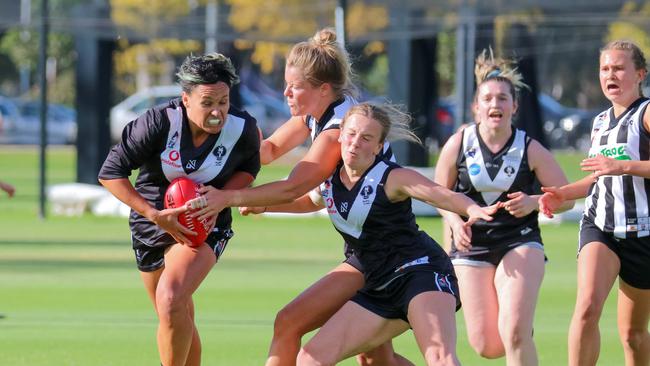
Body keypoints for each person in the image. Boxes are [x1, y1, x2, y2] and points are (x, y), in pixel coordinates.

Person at [235, 103, 496, 365]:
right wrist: (265, 204)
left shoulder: (392, 177)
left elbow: (440, 194)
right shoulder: (331, 177)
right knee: (310, 360)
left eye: (366, 138)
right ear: (340, 135)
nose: (355, 143)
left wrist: (471, 207)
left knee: (440, 357)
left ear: (378, 147)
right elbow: (312, 202)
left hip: (420, 271)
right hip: (377, 283)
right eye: (351, 134)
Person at [209, 28, 406, 366]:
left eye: (295, 86)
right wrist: (214, 132)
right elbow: (268, 151)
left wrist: (230, 198)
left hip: (387, 258)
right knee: (375, 359)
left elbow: (294, 187)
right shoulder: (317, 116)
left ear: (323, 89)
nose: (285, 92)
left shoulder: (337, 132)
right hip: (371, 253)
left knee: (288, 323)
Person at [98, 53, 260, 366]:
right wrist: (153, 214)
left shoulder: (242, 128)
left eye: (223, 102)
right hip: (152, 224)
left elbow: (250, 168)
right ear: (185, 99)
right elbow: (110, 173)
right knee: (174, 312)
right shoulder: (157, 122)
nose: (217, 112)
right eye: (208, 102)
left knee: (171, 298)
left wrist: (222, 198)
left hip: (205, 225)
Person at [434, 50, 574, 366]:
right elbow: (438, 195)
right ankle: (520, 328)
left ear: (514, 106)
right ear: (476, 107)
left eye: (502, 98)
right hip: (471, 248)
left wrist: (535, 202)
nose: (495, 104)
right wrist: (455, 223)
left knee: (513, 332)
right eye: (488, 99)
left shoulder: (530, 148)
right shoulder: (459, 143)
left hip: (520, 241)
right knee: (487, 346)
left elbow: (567, 197)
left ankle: (519, 327)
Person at [539, 40, 650, 366]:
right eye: (605, 68)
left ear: (639, 74)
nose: (610, 74)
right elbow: (597, 178)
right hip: (600, 225)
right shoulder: (600, 121)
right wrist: (564, 192)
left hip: (643, 234)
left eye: (618, 68)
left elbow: (616, 168)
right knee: (587, 308)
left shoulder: (645, 114)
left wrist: (624, 166)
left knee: (633, 334)